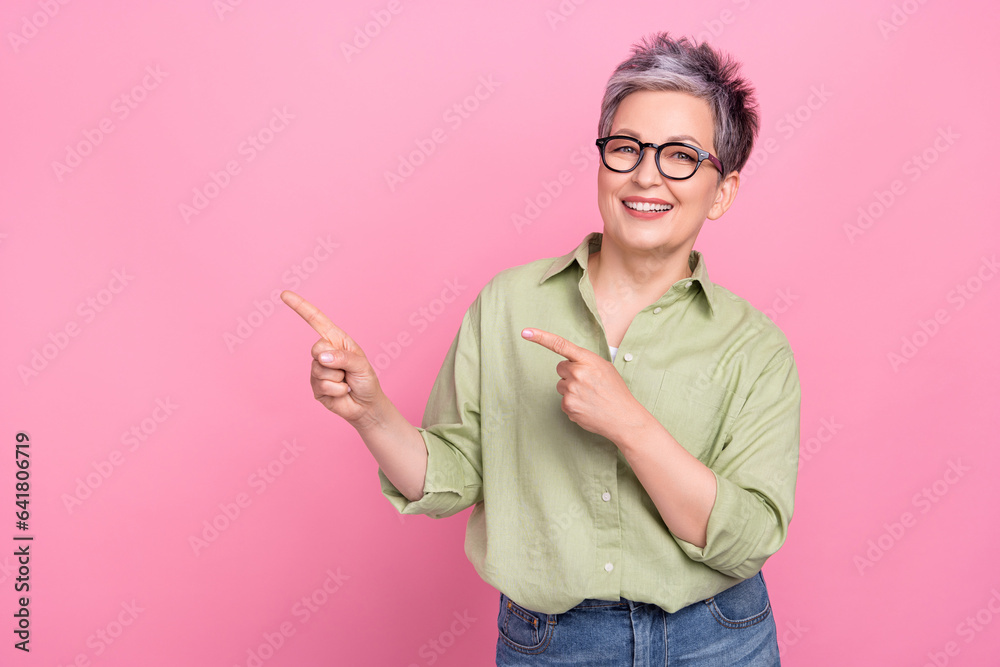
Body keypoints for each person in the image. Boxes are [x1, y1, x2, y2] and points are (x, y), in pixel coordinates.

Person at [281, 31, 800, 667]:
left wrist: (630, 423)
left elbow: (744, 540)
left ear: (723, 190)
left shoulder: (755, 347)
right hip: (554, 645)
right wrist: (369, 411)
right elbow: (451, 477)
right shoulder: (507, 305)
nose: (645, 175)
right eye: (627, 148)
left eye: (682, 156)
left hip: (718, 639)